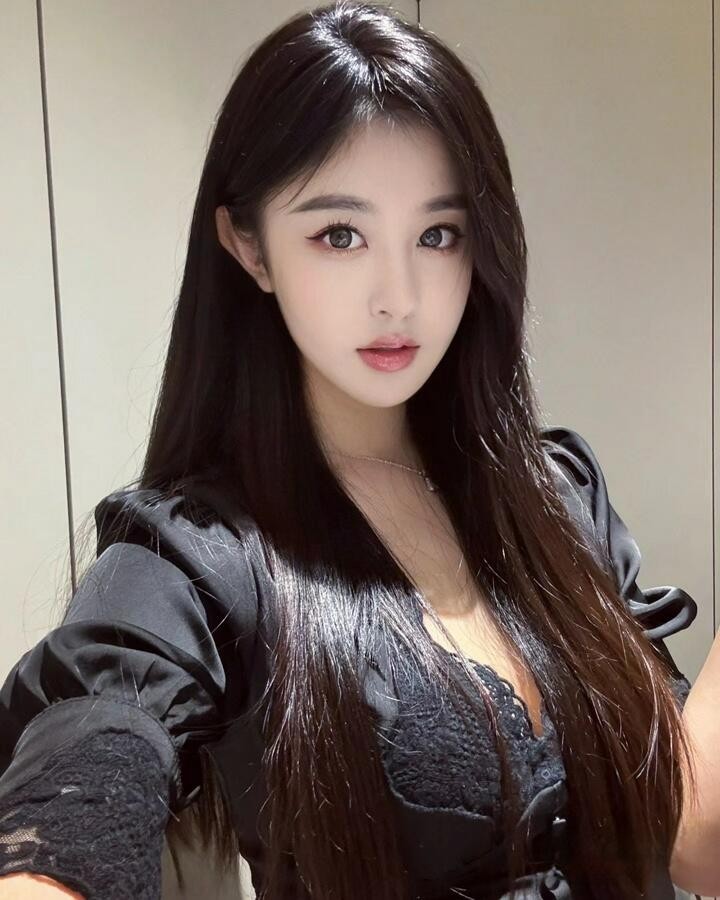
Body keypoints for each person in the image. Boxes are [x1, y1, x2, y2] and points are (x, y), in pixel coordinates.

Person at [0, 1, 714, 897]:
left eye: (438, 234)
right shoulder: (196, 560)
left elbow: (698, 841)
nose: (398, 296)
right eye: (340, 235)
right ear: (249, 246)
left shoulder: (558, 499)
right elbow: (85, 770)